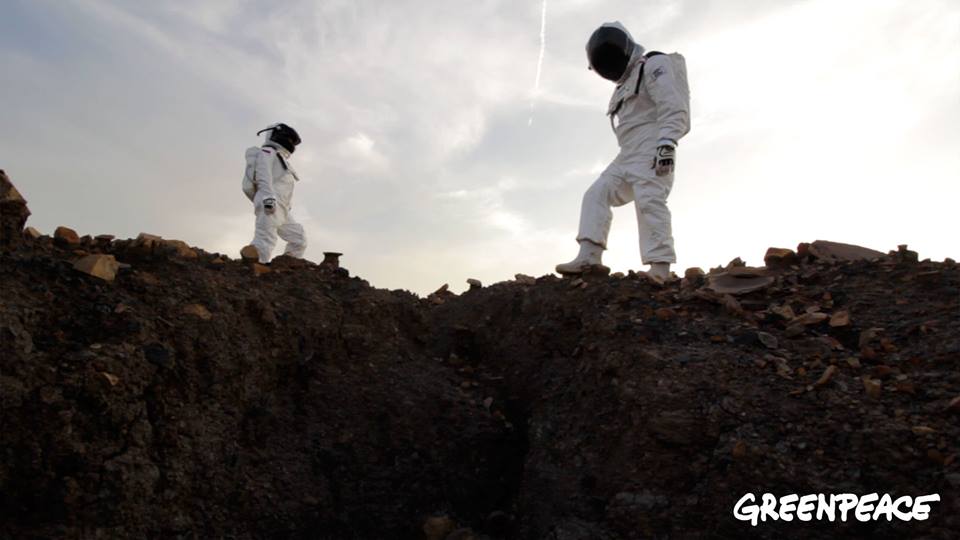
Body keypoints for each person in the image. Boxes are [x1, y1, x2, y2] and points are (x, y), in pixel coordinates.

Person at [556, 21, 690, 280]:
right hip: (627, 153)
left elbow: (673, 104)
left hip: (652, 146)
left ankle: (660, 267)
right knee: (596, 194)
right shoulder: (623, 85)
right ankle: (589, 257)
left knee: (649, 201)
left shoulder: (653, 64)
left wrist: (667, 143)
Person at [241, 123, 307, 264]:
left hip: (282, 206)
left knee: (298, 238)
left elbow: (284, 185)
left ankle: (288, 267)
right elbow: (263, 174)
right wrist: (268, 197)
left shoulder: (280, 157)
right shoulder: (267, 152)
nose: (290, 143)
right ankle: (254, 269)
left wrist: (287, 206)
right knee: (265, 239)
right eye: (289, 139)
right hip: (270, 200)